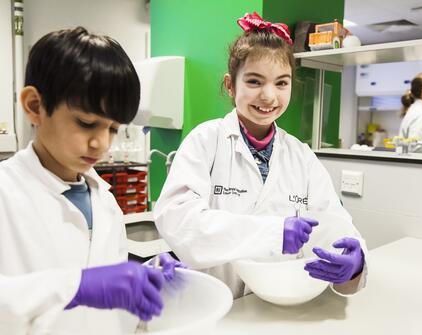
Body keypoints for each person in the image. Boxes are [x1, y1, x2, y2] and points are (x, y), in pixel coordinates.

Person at [154, 12, 368, 299]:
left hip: (278, 304)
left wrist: (355, 262)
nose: (269, 96)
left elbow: (333, 221)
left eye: (281, 83)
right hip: (216, 305)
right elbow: (179, 221)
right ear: (231, 85)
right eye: (255, 81)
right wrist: (272, 232)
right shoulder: (206, 141)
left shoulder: (301, 156)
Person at [0, 27, 184, 335]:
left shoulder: (103, 199)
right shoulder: (6, 192)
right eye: (87, 123)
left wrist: (143, 280)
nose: (102, 143)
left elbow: (99, 288)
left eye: (113, 128)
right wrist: (76, 287)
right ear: (35, 106)